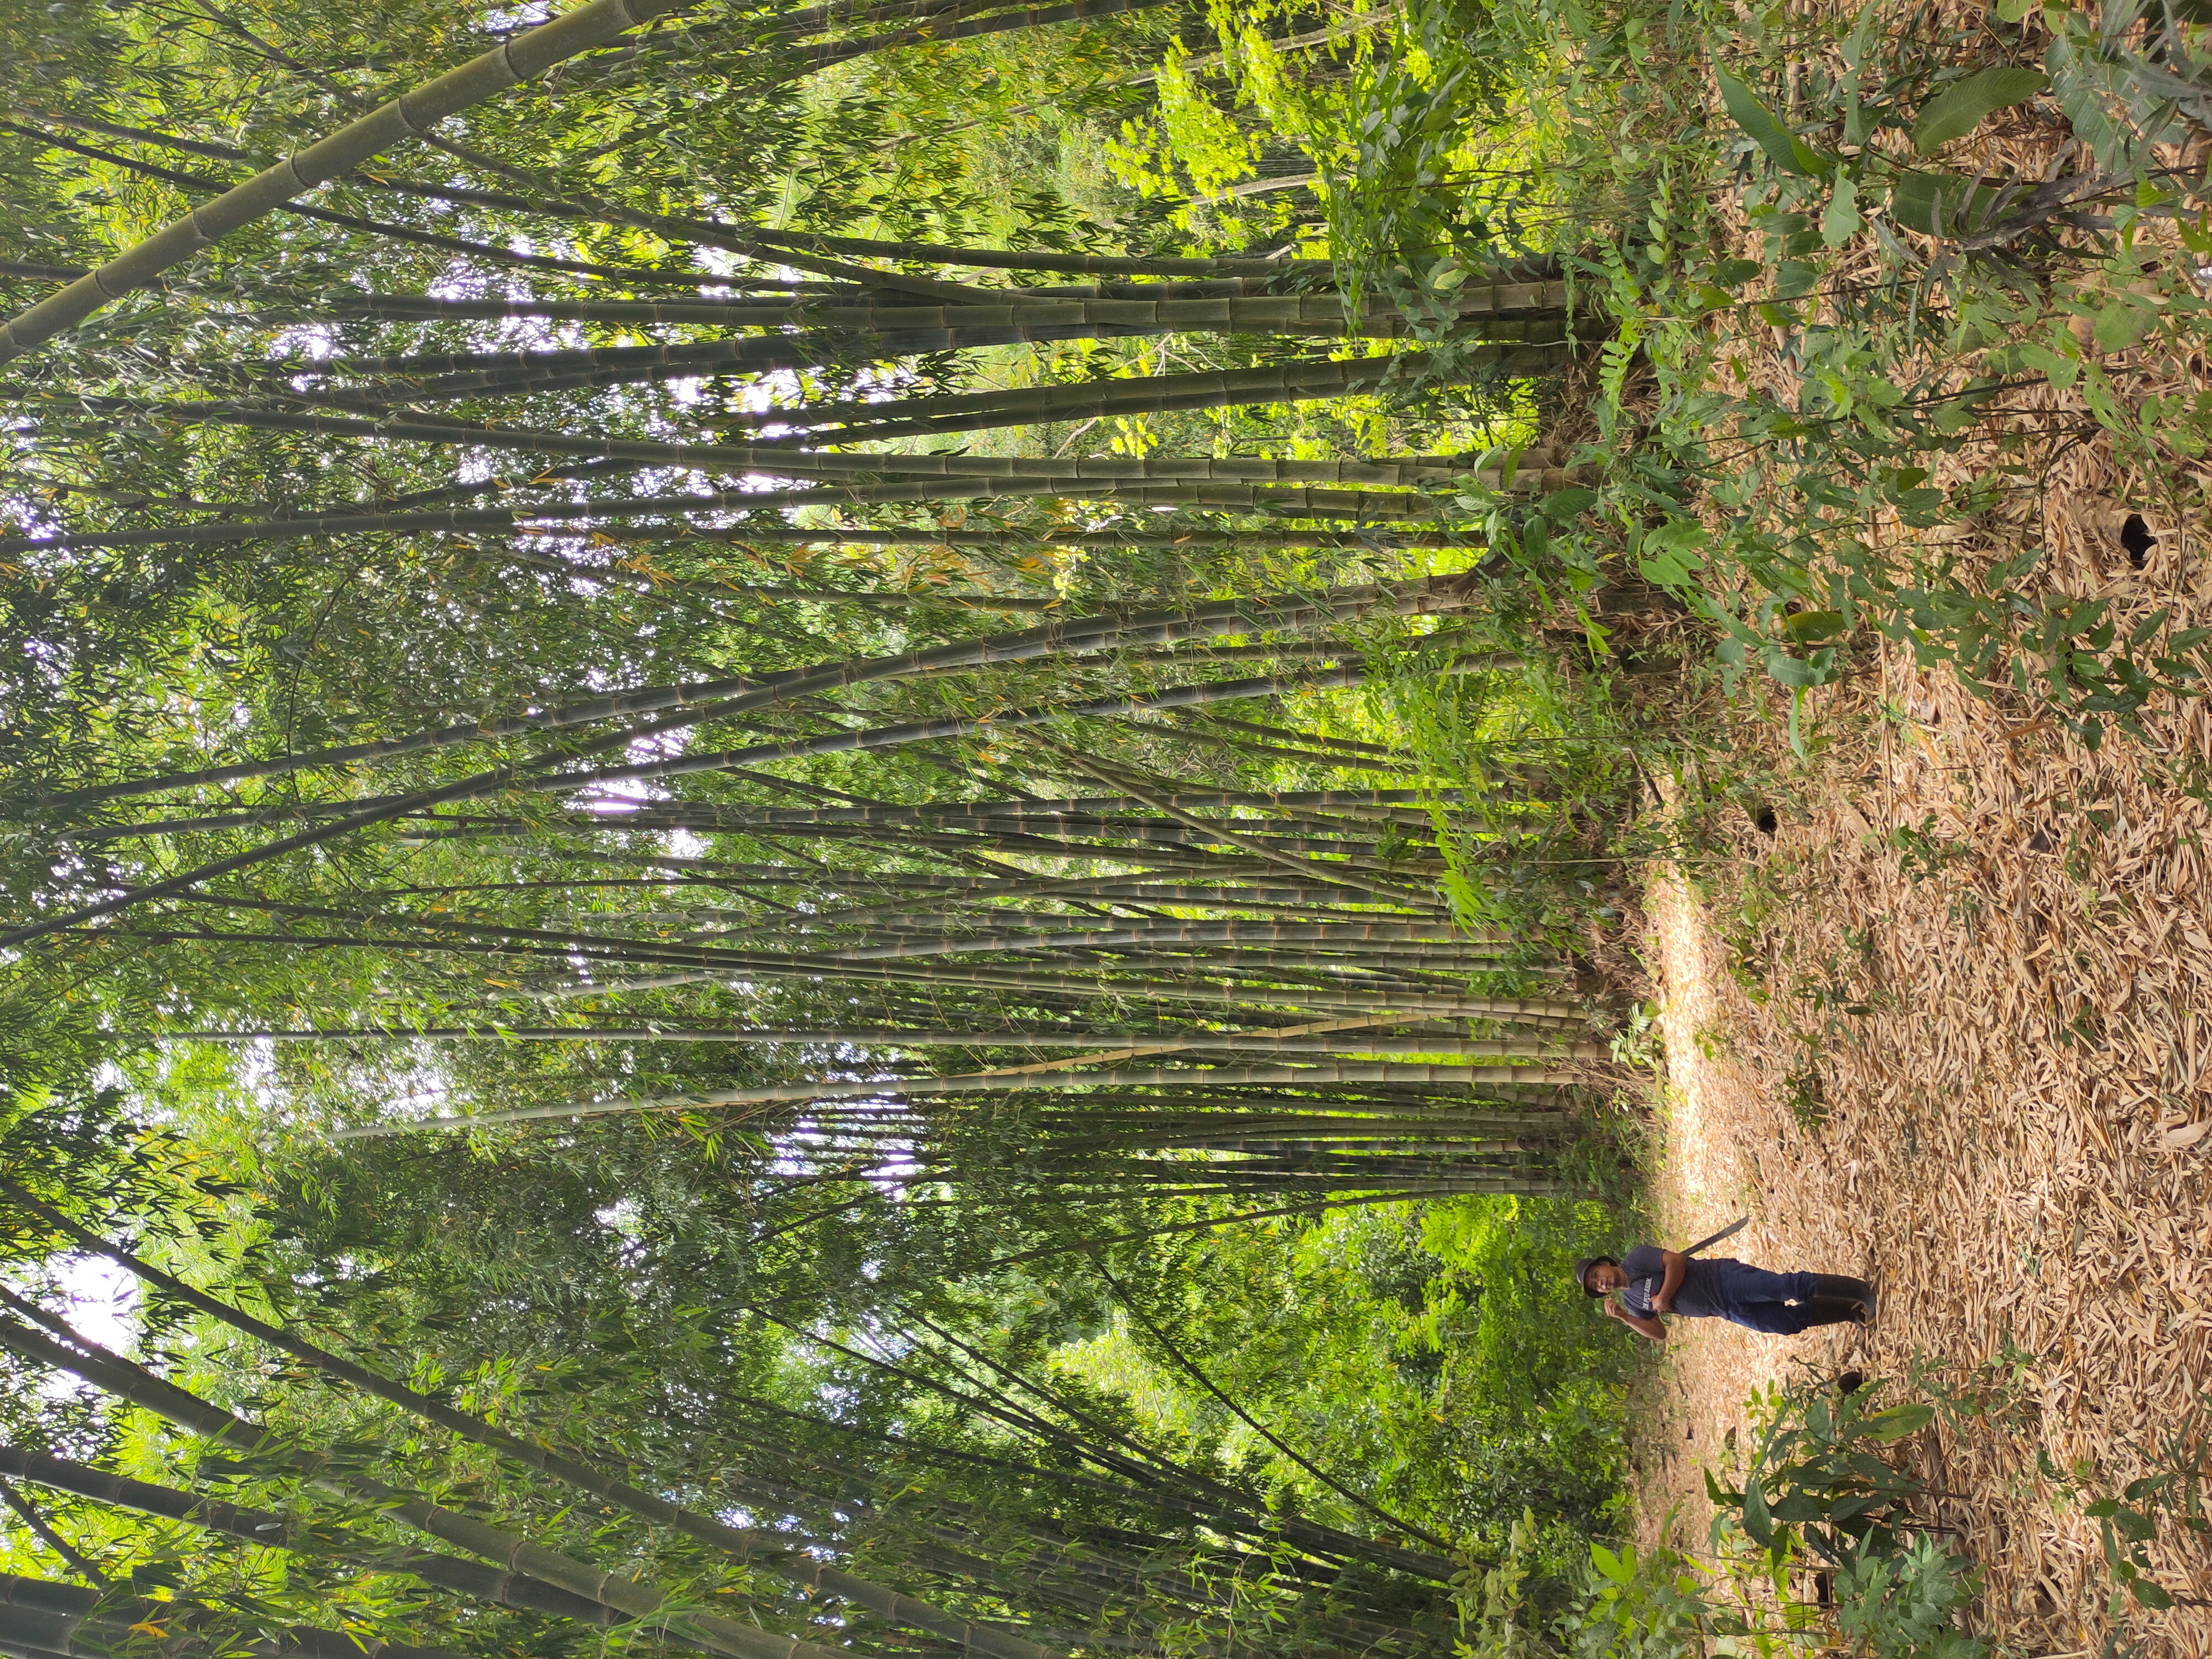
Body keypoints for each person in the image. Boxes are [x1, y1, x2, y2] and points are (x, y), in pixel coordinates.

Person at [1573, 1244, 1871, 1342]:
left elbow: (1675, 1261)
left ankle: (1861, 1291)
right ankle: (1848, 1311)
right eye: (1595, 1286)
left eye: (1597, 1275)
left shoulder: (1636, 1259)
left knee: (1789, 1287)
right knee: (1785, 1323)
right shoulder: (1630, 1301)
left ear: (1604, 1264)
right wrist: (1626, 1317)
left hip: (1724, 1280)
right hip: (1724, 1309)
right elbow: (1658, 1333)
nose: (1601, 1283)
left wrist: (1663, 1297)